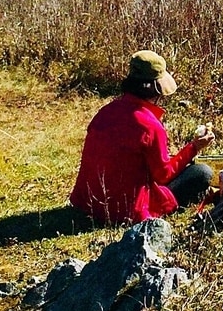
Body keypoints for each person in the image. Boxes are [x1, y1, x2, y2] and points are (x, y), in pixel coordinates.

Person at [70, 50, 215, 225]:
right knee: (202, 172)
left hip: (89, 204)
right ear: (157, 89)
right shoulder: (151, 126)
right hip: (127, 210)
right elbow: (163, 175)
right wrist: (194, 147)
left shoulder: (105, 112)